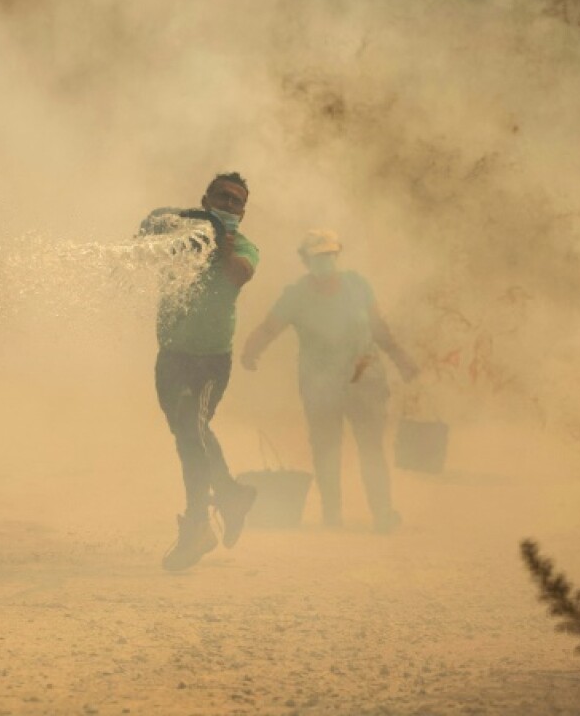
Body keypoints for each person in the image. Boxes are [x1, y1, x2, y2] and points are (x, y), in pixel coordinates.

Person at [241, 229, 417, 533]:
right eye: (318, 257)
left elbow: (378, 327)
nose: (325, 261)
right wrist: (251, 351)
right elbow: (270, 328)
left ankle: (382, 514)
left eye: (329, 255)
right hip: (319, 382)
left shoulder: (357, 285)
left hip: (364, 377)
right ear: (306, 260)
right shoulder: (296, 295)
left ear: (337, 256)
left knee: (371, 446)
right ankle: (332, 515)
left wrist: (400, 357)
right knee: (326, 448)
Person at [146, 172, 259, 571]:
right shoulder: (182, 236)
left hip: (210, 361)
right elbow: (148, 232)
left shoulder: (242, 247)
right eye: (222, 198)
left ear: (243, 213)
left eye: (236, 202)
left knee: (192, 431)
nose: (228, 206)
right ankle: (229, 495)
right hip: (171, 357)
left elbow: (240, 274)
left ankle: (197, 525)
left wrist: (223, 250)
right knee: (188, 433)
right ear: (205, 199)